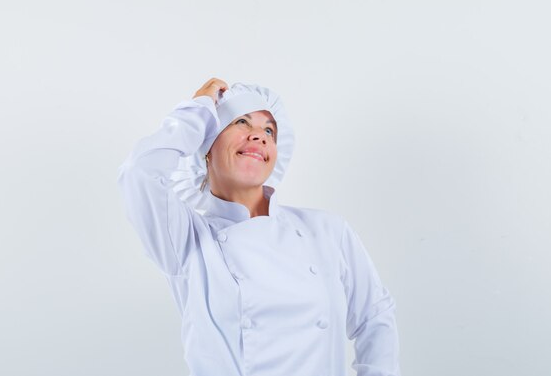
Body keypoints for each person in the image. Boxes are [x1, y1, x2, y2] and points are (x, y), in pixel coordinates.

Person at [117, 78, 401, 376]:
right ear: (206, 147)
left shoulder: (327, 230)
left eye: (269, 130)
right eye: (241, 122)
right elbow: (139, 173)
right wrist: (197, 111)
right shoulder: (185, 240)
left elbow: (375, 317)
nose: (260, 136)